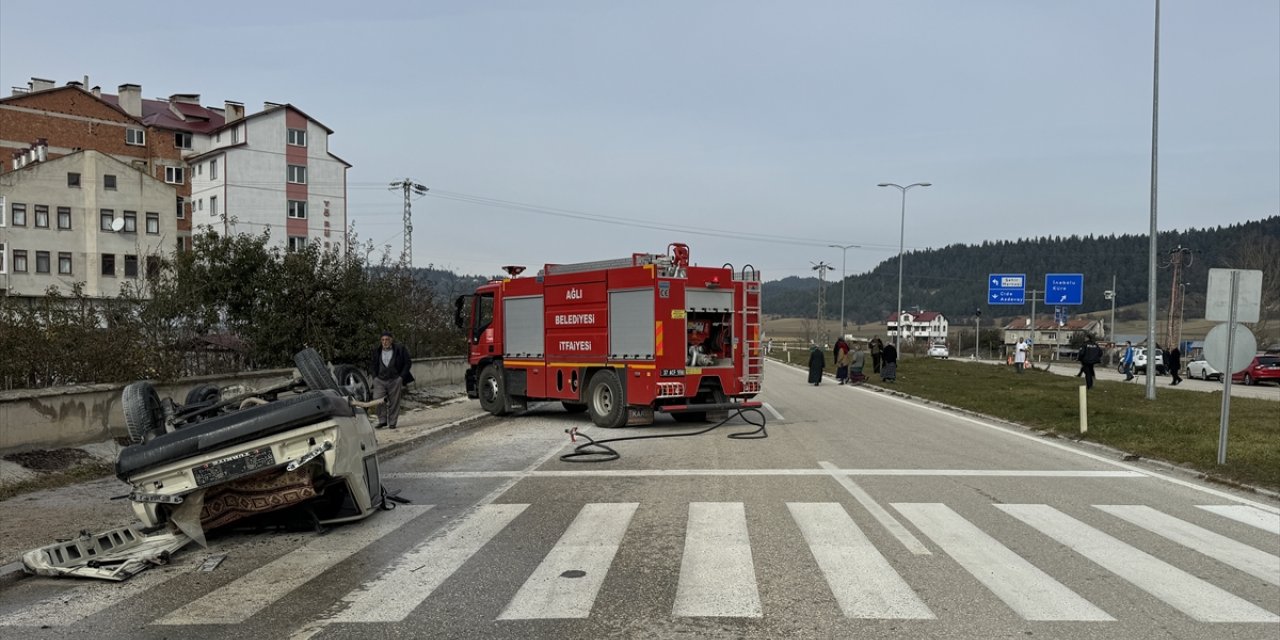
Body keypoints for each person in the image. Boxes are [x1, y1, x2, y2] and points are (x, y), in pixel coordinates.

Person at [369, 331, 413, 428]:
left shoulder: (400, 349)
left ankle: (392, 422)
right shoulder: (377, 350)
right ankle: (382, 420)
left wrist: (401, 377)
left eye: (387, 340)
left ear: (391, 340)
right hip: (380, 380)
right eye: (383, 340)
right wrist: (374, 377)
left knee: (394, 401)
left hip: (395, 379)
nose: (385, 342)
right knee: (378, 399)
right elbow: (372, 364)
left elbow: (408, 363)